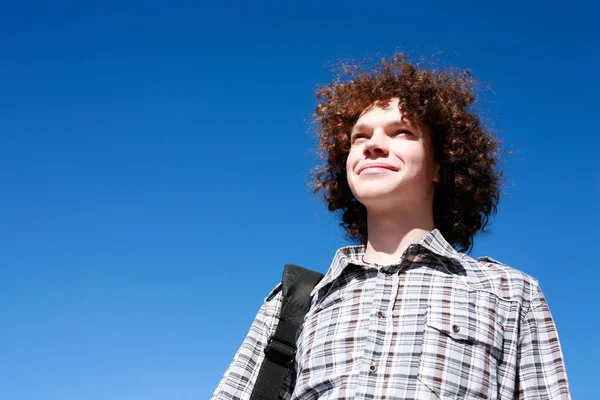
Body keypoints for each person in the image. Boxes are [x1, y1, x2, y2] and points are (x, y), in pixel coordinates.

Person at [211, 53, 571, 399]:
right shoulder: (295, 301)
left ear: (440, 166)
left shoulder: (510, 293)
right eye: (360, 137)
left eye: (401, 132)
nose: (373, 146)